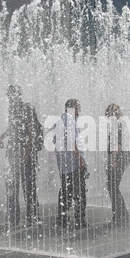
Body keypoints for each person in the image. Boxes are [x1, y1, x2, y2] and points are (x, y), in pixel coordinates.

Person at [0, 85, 44, 231]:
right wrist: (2, 137)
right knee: (11, 186)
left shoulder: (27, 108)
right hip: (13, 152)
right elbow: (13, 128)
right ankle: (13, 218)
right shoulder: (12, 110)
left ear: (19, 95)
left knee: (28, 187)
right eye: (9, 95)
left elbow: (31, 132)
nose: (11, 98)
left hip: (26, 155)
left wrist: (25, 153)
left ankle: (32, 217)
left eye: (13, 95)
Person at [53, 99, 88, 231]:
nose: (79, 110)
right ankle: (79, 219)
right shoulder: (70, 121)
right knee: (80, 193)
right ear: (71, 108)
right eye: (77, 107)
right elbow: (73, 144)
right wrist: (81, 161)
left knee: (66, 191)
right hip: (73, 164)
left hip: (64, 165)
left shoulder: (59, 121)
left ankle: (61, 217)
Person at [105, 103, 130, 228]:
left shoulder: (118, 124)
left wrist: (113, 160)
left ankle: (117, 218)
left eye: (110, 113)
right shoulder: (119, 123)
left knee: (112, 187)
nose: (108, 115)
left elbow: (118, 145)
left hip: (119, 157)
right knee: (113, 187)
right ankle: (124, 215)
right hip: (123, 157)